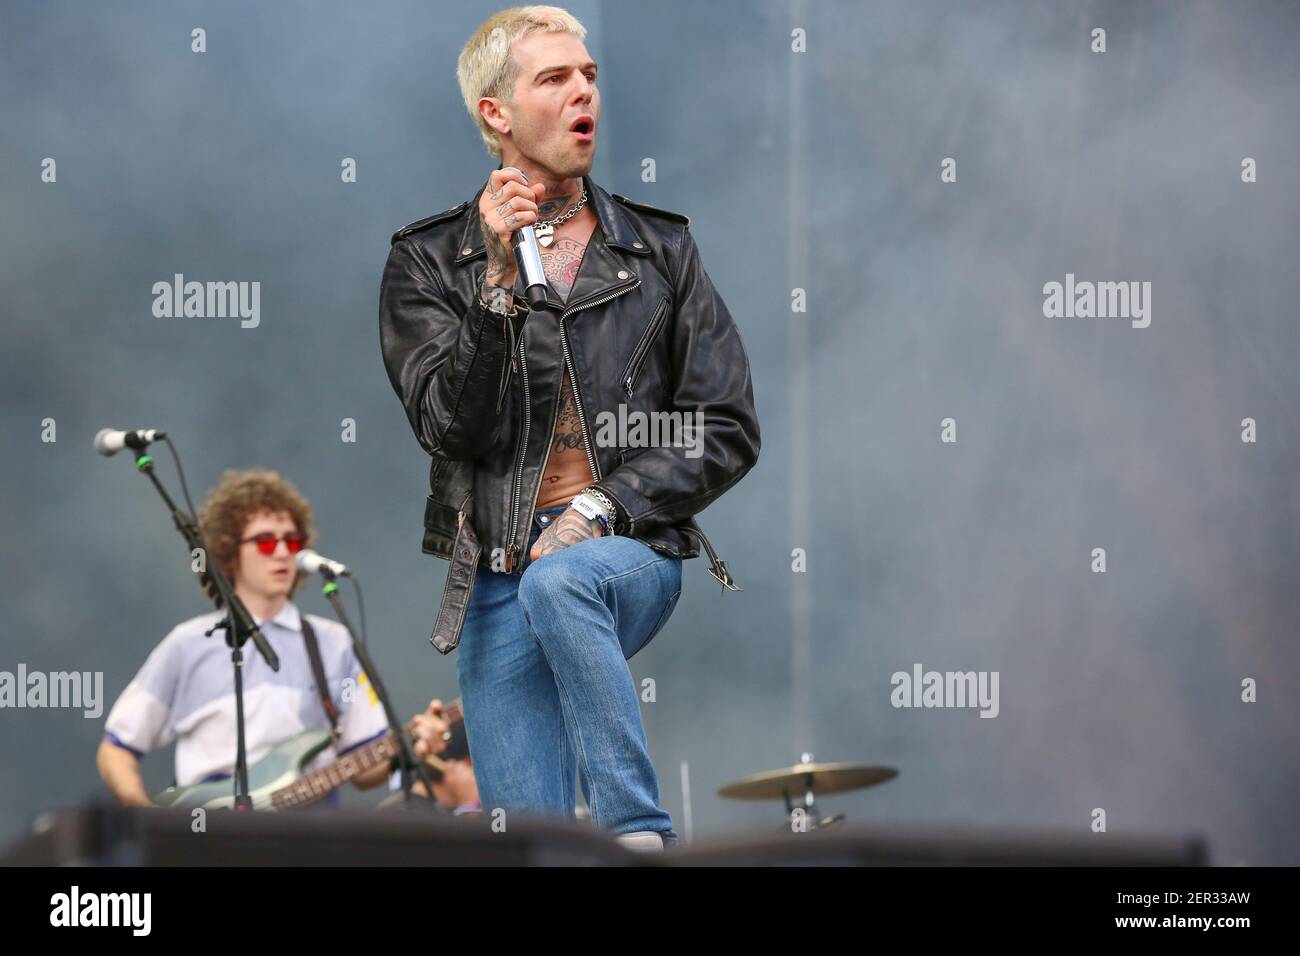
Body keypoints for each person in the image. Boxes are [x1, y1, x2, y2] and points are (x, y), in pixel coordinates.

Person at [378, 5, 760, 850]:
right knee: (531, 841)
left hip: (626, 548)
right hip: (497, 570)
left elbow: (725, 422)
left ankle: (636, 834)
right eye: (555, 78)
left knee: (565, 580)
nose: (584, 91)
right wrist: (497, 292)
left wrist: (602, 509)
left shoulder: (658, 250)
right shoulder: (429, 261)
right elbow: (448, 426)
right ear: (497, 113)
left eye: (589, 75)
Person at [97, 469, 392, 806]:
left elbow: (366, 764)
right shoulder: (186, 644)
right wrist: (144, 814)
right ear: (228, 552)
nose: (283, 552)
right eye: (266, 541)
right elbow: (116, 748)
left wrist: (410, 746)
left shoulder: (333, 642)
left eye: (292, 541)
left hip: (309, 834)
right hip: (210, 836)